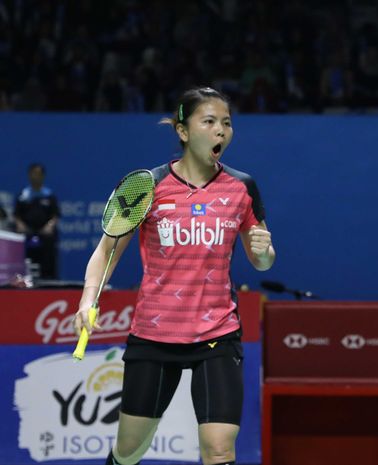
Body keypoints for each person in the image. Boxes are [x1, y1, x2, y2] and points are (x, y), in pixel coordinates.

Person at [73, 87, 275, 465]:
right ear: (183, 131)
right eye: (209, 122)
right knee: (131, 449)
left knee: (219, 448)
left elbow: (262, 261)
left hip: (217, 333)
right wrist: (88, 299)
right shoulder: (147, 186)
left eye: (227, 123)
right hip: (155, 334)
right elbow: (106, 251)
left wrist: (263, 252)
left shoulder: (242, 188)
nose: (221, 131)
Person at [14, 163, 60, 279]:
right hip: (27, 231)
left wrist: (49, 226)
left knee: (50, 242)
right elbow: (17, 216)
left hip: (45, 233)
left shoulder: (49, 195)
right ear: (29, 175)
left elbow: (55, 215)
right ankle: (22, 278)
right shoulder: (23, 195)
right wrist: (21, 226)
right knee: (20, 242)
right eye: (33, 174)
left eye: (39, 174)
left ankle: (48, 278)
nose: (36, 177)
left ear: (43, 176)